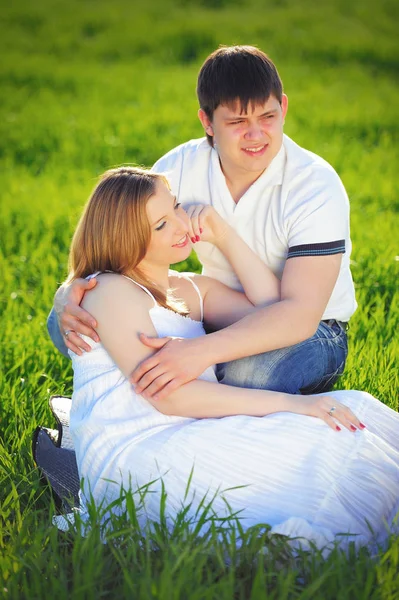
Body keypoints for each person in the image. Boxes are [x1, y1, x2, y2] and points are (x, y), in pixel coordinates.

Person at [60, 166, 399, 553]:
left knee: (352, 409)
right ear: (125, 237)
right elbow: (169, 396)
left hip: (187, 429)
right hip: (137, 452)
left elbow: (273, 309)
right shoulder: (111, 289)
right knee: (328, 441)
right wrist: (295, 403)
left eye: (175, 209)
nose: (179, 225)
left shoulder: (189, 289)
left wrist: (223, 235)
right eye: (160, 225)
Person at [47, 45, 357, 401]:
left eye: (267, 117)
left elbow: (299, 316)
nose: (256, 135)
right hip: (215, 308)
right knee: (68, 322)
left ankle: (194, 407)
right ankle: (123, 412)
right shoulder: (181, 166)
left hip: (312, 330)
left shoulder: (315, 185)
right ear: (207, 122)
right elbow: (117, 233)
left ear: (284, 108)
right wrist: (70, 293)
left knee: (245, 373)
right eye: (238, 122)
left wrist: (200, 351)